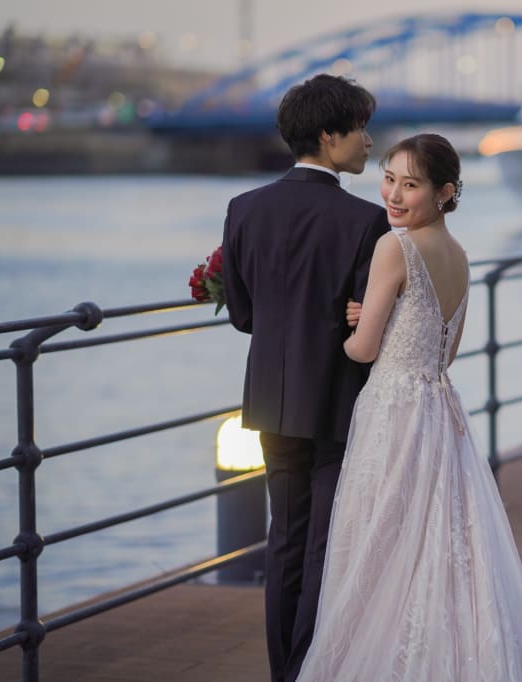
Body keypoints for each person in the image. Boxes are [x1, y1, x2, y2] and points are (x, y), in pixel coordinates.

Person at [296, 134, 522, 681]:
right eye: (390, 178)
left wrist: (346, 328)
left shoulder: (393, 248)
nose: (394, 195)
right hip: (439, 409)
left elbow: (366, 349)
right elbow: (446, 349)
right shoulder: (461, 257)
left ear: (445, 193)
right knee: (437, 543)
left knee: (381, 540)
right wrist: (380, 316)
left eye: (411, 185)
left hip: (392, 409)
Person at [220, 74, 391, 682]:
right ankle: (308, 670)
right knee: (323, 547)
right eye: (361, 129)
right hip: (337, 405)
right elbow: (368, 329)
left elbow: (243, 314)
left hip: (269, 401)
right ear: (329, 135)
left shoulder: (245, 209)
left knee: (284, 542)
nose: (370, 142)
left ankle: (282, 673)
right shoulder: (366, 221)